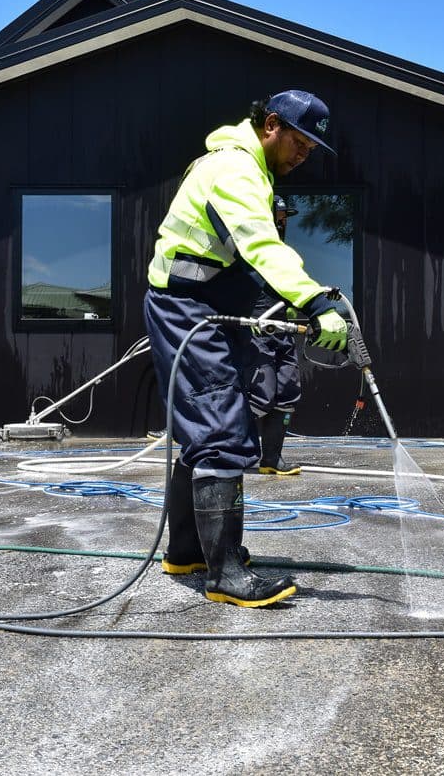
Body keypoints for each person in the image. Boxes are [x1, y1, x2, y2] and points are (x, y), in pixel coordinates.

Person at [144, 90, 348, 608]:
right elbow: (261, 245)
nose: (303, 157)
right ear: (272, 125)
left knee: (207, 434)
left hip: (210, 306)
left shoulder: (254, 172)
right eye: (300, 144)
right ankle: (225, 575)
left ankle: (188, 552)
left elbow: (245, 257)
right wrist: (314, 299)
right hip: (185, 308)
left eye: (310, 150)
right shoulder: (234, 169)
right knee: (222, 430)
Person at [250, 198, 305, 476]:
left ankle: (272, 458)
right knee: (260, 393)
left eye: (285, 217)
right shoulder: (249, 248)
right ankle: (237, 452)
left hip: (282, 330)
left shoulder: (285, 254)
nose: (282, 221)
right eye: (279, 215)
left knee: (287, 392)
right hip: (255, 331)